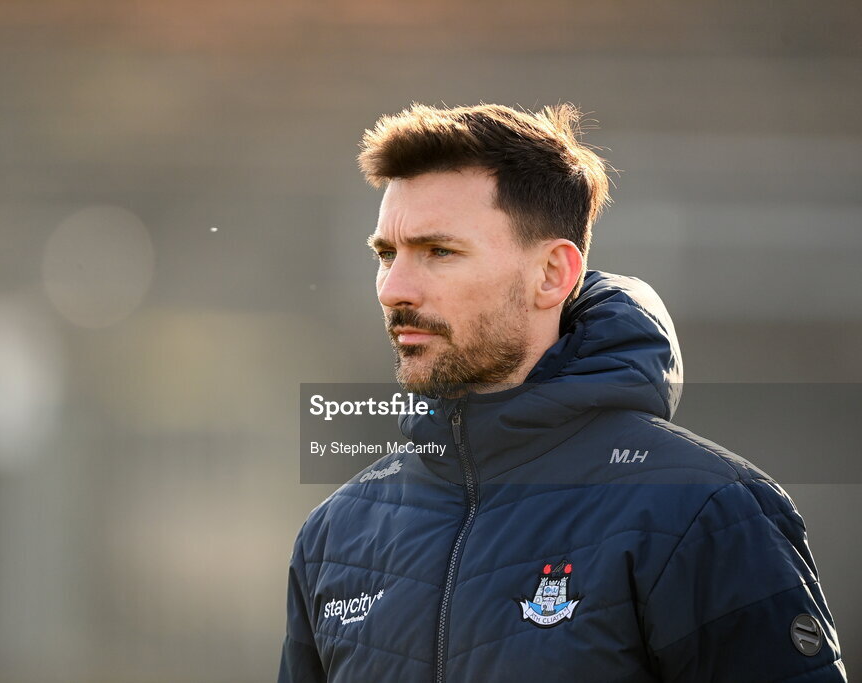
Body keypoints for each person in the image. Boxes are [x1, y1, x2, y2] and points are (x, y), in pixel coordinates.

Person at [278, 103, 846, 682]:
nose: (394, 289)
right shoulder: (335, 535)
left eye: (439, 252)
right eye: (386, 254)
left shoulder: (703, 511)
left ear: (553, 274)